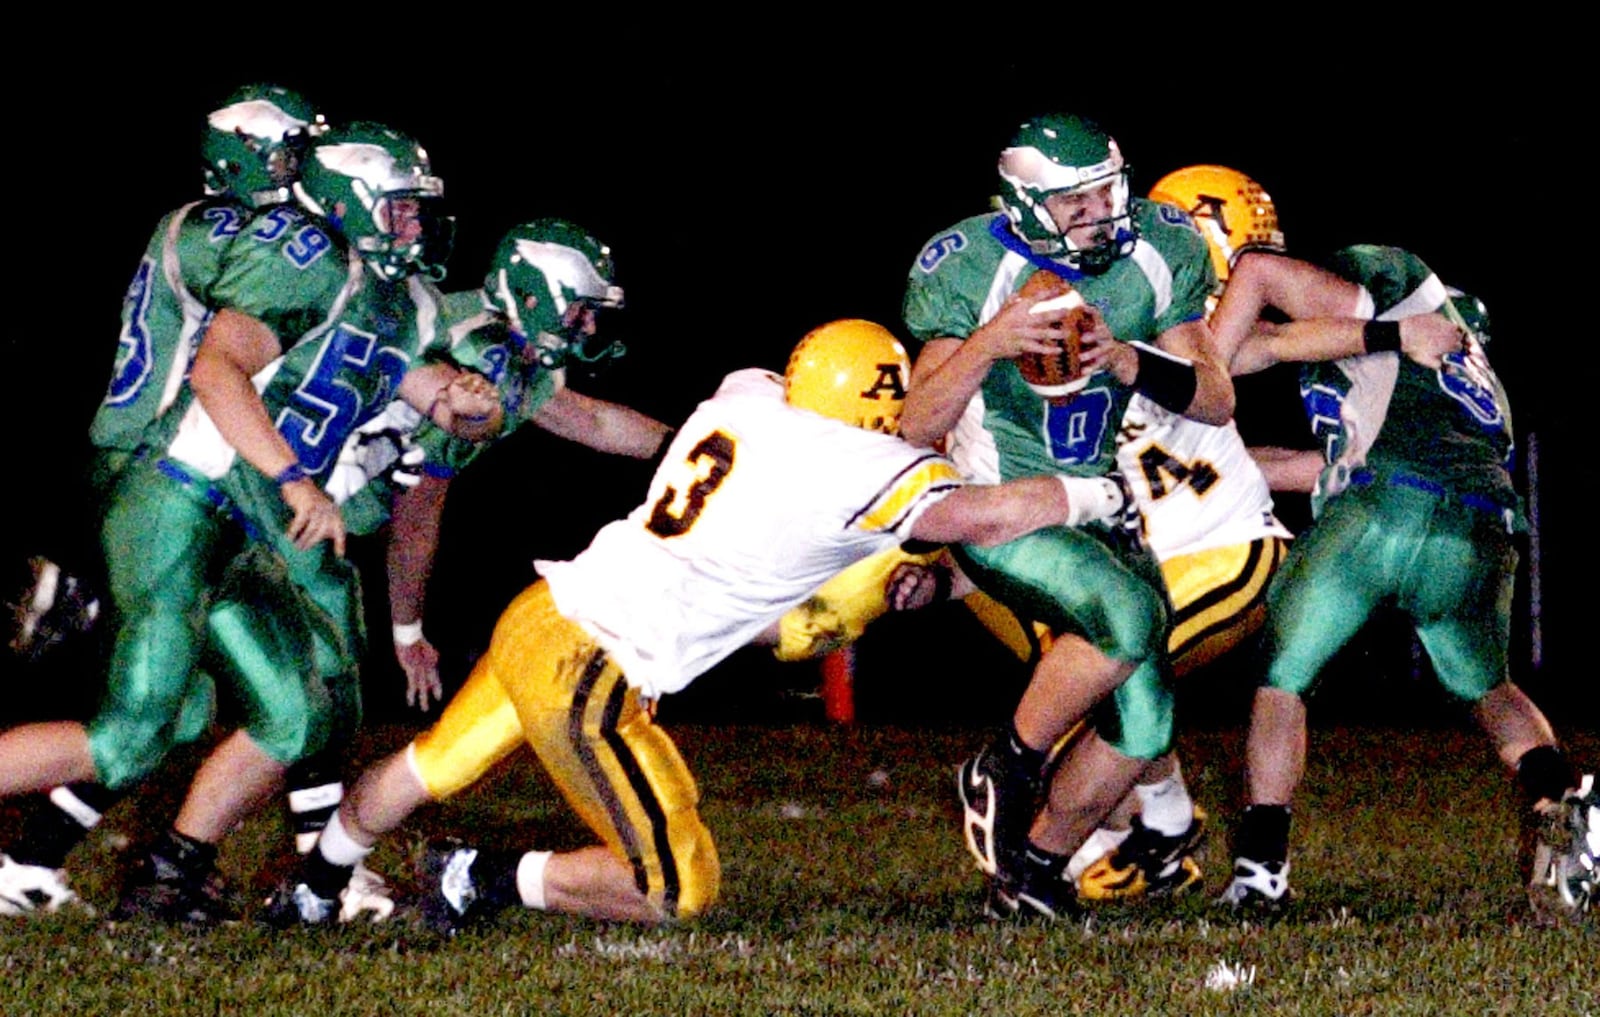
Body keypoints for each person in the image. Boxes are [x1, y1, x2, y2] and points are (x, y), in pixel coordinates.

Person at [268, 318, 1132, 927]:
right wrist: (1095, 491)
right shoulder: (849, 463)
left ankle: (312, 884)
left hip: (542, 610)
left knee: (431, 764)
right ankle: (483, 875)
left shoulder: (746, 398)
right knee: (675, 887)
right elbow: (986, 514)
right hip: (592, 669)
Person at [0, 121, 498, 922]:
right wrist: (297, 481)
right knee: (131, 735)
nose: (416, 226)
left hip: (240, 525)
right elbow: (216, 367)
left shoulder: (392, 299)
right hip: (180, 497)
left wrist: (471, 407)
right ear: (352, 202)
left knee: (295, 714)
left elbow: (427, 392)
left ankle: (169, 871)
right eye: (401, 209)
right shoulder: (308, 260)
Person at [0, 83, 330, 917]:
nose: (307, 168)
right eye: (294, 151)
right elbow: (228, 359)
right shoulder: (253, 235)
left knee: (183, 713)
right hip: (163, 472)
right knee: (132, 731)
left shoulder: (196, 223)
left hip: (157, 471)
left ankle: (28, 860)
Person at [899, 113, 1233, 919]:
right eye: (1074, 202)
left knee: (1147, 726)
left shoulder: (1158, 246)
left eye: (1104, 193)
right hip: (1003, 510)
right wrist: (993, 340)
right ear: (1022, 203)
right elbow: (915, 426)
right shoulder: (969, 263)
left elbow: (1217, 399)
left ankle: (1034, 874)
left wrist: (1129, 358)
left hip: (1098, 502)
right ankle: (1006, 766)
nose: (1099, 213)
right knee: (1128, 614)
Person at [1208, 243, 1595, 921]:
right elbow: (1307, 463)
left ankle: (1261, 869)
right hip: (1481, 521)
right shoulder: (1465, 397)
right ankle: (1560, 795)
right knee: (1488, 684)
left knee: (1283, 677)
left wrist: (1198, 373)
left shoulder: (1394, 281)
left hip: (1387, 504)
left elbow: (1262, 284)